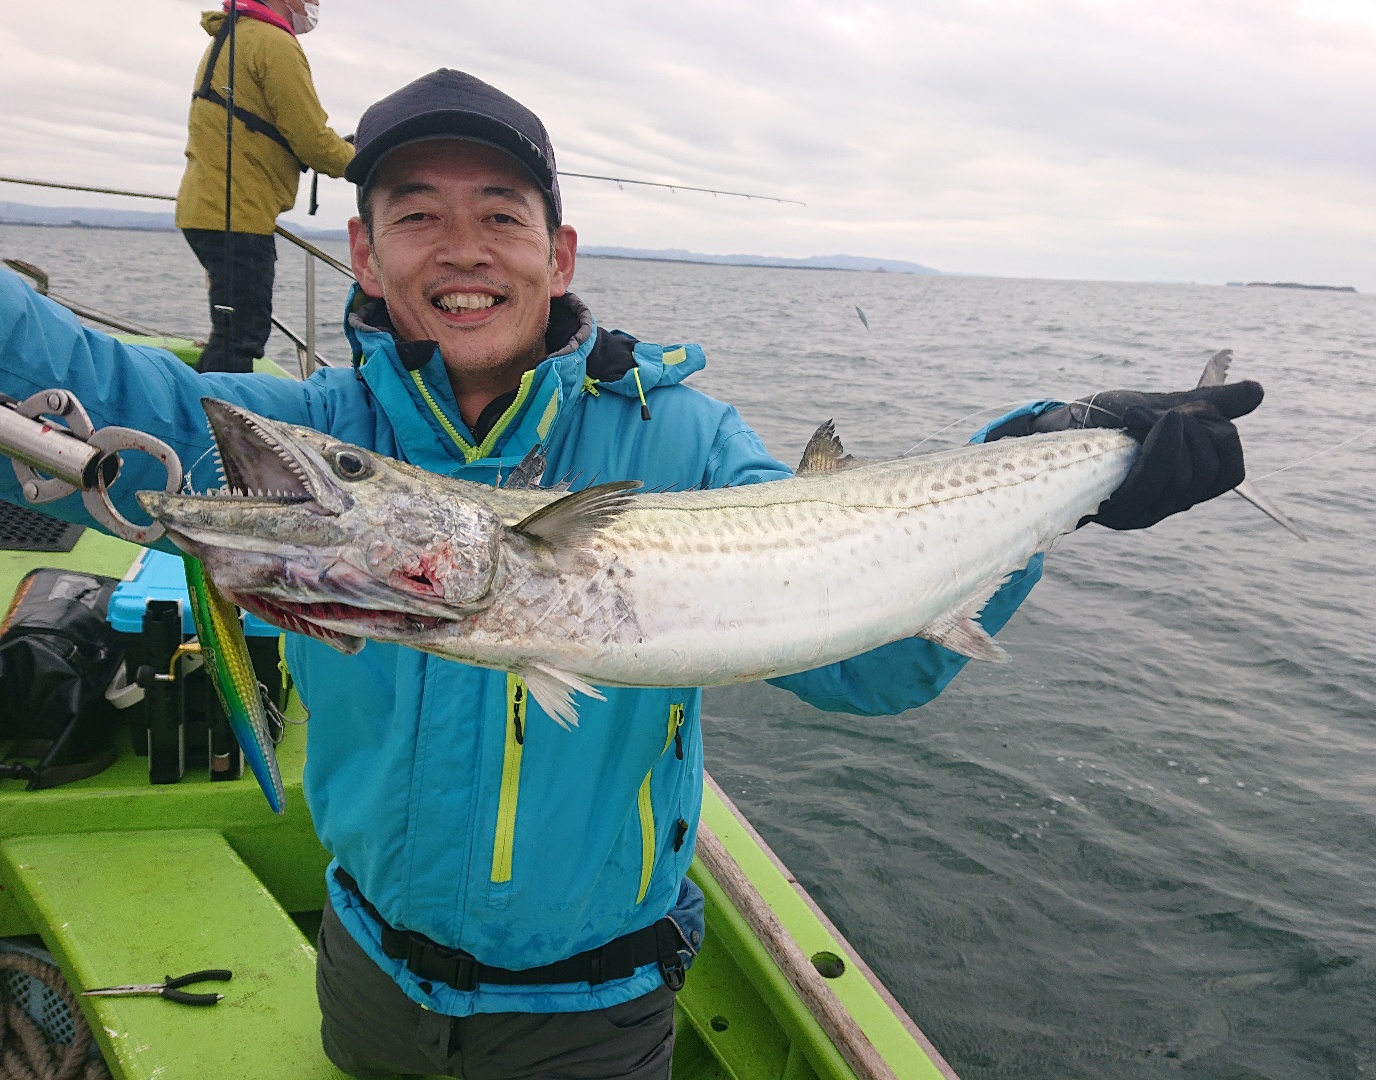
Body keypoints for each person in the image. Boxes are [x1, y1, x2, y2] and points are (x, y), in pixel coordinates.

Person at [0, 69, 1256, 1080]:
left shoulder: (685, 442)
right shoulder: (314, 426)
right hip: (368, 966)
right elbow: (98, 394)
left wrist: (1053, 456)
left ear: (562, 249)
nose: (463, 246)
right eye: (416, 214)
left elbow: (871, 659)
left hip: (594, 1015)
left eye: (501, 212)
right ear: (365, 258)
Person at [176, 0, 354, 373]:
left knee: (231, 333)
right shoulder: (274, 43)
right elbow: (312, 140)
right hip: (237, 216)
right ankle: (204, 428)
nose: (315, 3)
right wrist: (365, 161)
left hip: (210, 208)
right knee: (240, 341)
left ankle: (198, 417)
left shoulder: (233, 35)